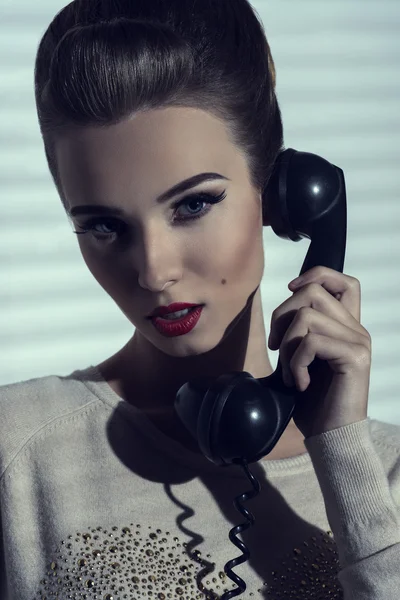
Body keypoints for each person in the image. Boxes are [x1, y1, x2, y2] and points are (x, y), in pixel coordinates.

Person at [0, 1, 399, 598]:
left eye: (193, 204)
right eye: (105, 227)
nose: (154, 272)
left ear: (283, 197)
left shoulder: (387, 474)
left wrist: (342, 453)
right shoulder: (17, 450)